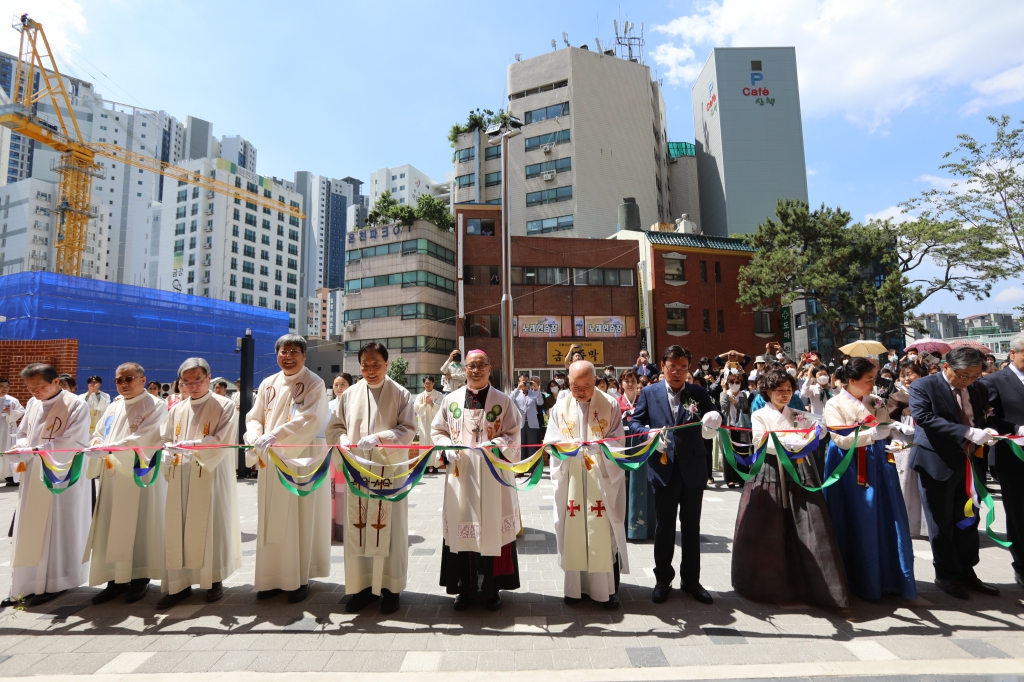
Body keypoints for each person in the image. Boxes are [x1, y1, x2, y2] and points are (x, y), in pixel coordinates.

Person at [732, 368, 850, 607]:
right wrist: (793, 441)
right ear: (768, 391)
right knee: (770, 525)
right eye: (779, 390)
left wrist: (817, 434)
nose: (785, 394)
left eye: (788, 390)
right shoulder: (759, 414)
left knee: (808, 521)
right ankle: (769, 586)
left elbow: (814, 432)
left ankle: (811, 584)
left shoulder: (798, 414)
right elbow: (759, 442)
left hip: (800, 468)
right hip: (770, 469)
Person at [627, 345, 722, 604]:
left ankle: (691, 580)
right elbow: (634, 422)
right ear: (663, 366)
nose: (678, 373)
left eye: (683, 368)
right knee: (664, 527)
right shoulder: (649, 392)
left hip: (693, 468)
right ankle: (662, 580)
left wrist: (715, 418)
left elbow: (714, 416)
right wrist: (648, 434)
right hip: (663, 466)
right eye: (672, 367)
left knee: (691, 527)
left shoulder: (698, 392)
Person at [430, 349, 522, 611]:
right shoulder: (451, 400)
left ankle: (492, 590)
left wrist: (496, 444)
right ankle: (462, 589)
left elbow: (514, 433)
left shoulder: (503, 401)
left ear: (490, 369)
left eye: (481, 365)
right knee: (462, 528)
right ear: (464, 369)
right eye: (471, 366)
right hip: (461, 474)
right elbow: (438, 430)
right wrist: (446, 448)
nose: (476, 370)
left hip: (493, 474)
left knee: (492, 529)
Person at [327, 342, 415, 614]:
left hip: (389, 472)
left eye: (376, 364)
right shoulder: (349, 394)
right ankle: (361, 587)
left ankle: (391, 588)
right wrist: (342, 439)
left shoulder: (400, 393)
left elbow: (409, 429)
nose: (370, 370)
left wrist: (380, 438)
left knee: (390, 529)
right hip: (358, 471)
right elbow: (335, 427)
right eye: (365, 365)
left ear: (387, 364)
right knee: (359, 525)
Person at [245, 334, 331, 604]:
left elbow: (311, 418)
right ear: (277, 355)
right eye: (284, 351)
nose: (288, 356)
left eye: (294, 351)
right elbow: (254, 417)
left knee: (297, 517)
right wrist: (255, 437)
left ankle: (299, 578)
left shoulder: (314, 383)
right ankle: (271, 578)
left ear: (304, 356)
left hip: (300, 457)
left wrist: (275, 436)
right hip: (270, 458)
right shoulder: (268, 383)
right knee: (270, 517)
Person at [909, 346, 999, 599]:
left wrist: (990, 430)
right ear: (947, 366)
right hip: (937, 462)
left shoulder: (978, 388)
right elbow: (924, 417)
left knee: (968, 518)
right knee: (941, 520)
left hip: (971, 462)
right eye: (964, 376)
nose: (968, 381)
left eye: (975, 376)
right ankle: (946, 574)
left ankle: (967, 571)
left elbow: (985, 417)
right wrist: (966, 432)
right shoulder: (924, 386)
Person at [823, 358, 916, 601]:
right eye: (869, 379)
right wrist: (871, 435)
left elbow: (886, 427)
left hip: (880, 462)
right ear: (852, 380)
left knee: (888, 514)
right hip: (850, 463)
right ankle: (859, 578)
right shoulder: (834, 403)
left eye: (874, 379)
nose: (873, 384)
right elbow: (839, 440)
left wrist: (896, 437)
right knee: (858, 516)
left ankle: (890, 577)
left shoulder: (875, 400)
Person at [1, 364, 90, 607]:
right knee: (30, 528)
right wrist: (21, 447)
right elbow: (23, 432)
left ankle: (57, 582)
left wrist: (38, 450)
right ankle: (25, 585)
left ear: (56, 382)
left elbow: (75, 440)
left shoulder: (76, 404)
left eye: (40, 386)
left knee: (57, 528)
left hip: (62, 475)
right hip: (33, 474)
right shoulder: (32, 403)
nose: (35, 392)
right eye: (30, 388)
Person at [158, 358, 241, 607]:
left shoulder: (225, 405)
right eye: (186, 382)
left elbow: (223, 440)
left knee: (209, 525)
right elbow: (165, 438)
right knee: (179, 525)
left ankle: (213, 579)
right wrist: (167, 452)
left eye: (198, 380)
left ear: (209, 378)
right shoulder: (177, 409)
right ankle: (179, 584)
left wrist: (192, 445)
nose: (192, 386)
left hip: (210, 473)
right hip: (180, 474)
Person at [83, 362, 168, 604]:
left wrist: (110, 448)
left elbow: (146, 437)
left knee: (140, 525)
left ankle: (140, 578)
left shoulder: (155, 405)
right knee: (111, 525)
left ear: (143, 380)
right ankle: (115, 580)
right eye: (119, 380)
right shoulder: (113, 406)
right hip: (112, 476)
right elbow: (99, 433)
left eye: (129, 378)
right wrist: (97, 444)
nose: (123, 384)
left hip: (139, 475)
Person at [546, 361, 628, 608]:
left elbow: (619, 440)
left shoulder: (610, 404)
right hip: (571, 477)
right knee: (572, 530)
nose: (580, 391)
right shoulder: (559, 408)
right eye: (575, 386)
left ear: (595, 381)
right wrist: (566, 449)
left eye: (586, 386)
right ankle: (574, 590)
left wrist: (601, 448)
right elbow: (550, 442)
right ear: (567, 382)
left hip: (600, 477)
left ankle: (606, 591)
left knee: (601, 530)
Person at [982, 333, 1024, 587]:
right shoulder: (995, 381)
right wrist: (1015, 429)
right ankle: (1021, 566)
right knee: (1019, 513)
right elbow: (986, 416)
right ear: (1013, 353)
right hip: (1013, 457)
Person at [888, 361, 928, 536]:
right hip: (907, 439)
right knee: (907, 478)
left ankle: (926, 524)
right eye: (903, 375)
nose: (906, 378)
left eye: (910, 374)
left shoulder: (927, 392)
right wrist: (900, 426)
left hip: (926, 438)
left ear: (919, 374)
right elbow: (887, 418)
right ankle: (908, 523)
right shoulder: (897, 396)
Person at [327, 373, 353, 540]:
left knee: (345, 490)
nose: (339, 388)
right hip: (331, 453)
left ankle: (346, 529)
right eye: (336, 385)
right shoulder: (328, 406)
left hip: (347, 452)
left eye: (343, 384)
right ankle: (331, 529)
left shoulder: (354, 404)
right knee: (331, 492)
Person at [719, 373, 752, 489]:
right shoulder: (724, 394)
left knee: (742, 452)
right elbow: (723, 406)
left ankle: (742, 478)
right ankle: (730, 479)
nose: (734, 384)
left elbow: (744, 408)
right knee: (728, 453)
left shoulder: (743, 395)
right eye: (732, 382)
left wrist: (734, 401)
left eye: (737, 382)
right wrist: (724, 390)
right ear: (728, 383)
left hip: (740, 427)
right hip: (727, 427)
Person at [414, 376, 443, 473]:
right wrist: (425, 404)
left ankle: (435, 466)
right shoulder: (420, 396)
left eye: (429, 383)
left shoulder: (438, 395)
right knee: (424, 444)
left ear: (433, 383)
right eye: (426, 383)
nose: (428, 385)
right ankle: (425, 466)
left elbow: (441, 408)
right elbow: (416, 408)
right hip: (424, 425)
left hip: (435, 424)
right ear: (423, 384)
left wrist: (432, 404)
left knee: (434, 443)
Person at [0, 378, 26, 487]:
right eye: (1, 386)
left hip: (7, 429)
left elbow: (21, 411)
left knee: (7, 449)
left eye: (7, 386)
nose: (4, 388)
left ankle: (10, 476)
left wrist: (11, 412)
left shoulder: (12, 400)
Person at [511, 374, 543, 462]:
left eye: (527, 381)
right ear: (518, 382)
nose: (525, 383)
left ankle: (532, 467)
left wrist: (536, 389)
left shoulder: (534, 393)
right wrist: (518, 389)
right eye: (523, 381)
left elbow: (540, 403)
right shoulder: (515, 393)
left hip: (531, 424)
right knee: (520, 447)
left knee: (532, 448)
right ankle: (520, 466)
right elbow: (509, 401)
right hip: (519, 424)